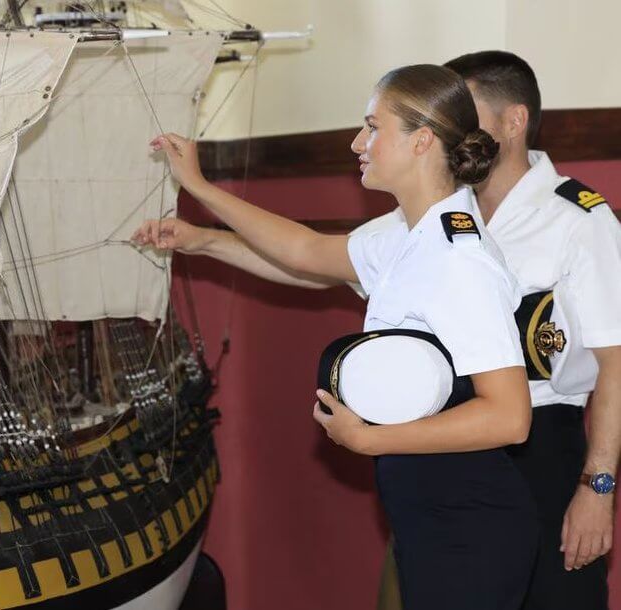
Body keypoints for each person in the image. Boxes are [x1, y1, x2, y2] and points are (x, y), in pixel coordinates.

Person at [134, 64, 538, 609]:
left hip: (468, 520)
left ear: (421, 141)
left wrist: (371, 440)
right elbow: (304, 253)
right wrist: (203, 235)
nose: (357, 142)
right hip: (429, 508)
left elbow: (509, 417)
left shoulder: (459, 260)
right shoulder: (407, 230)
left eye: (373, 127)